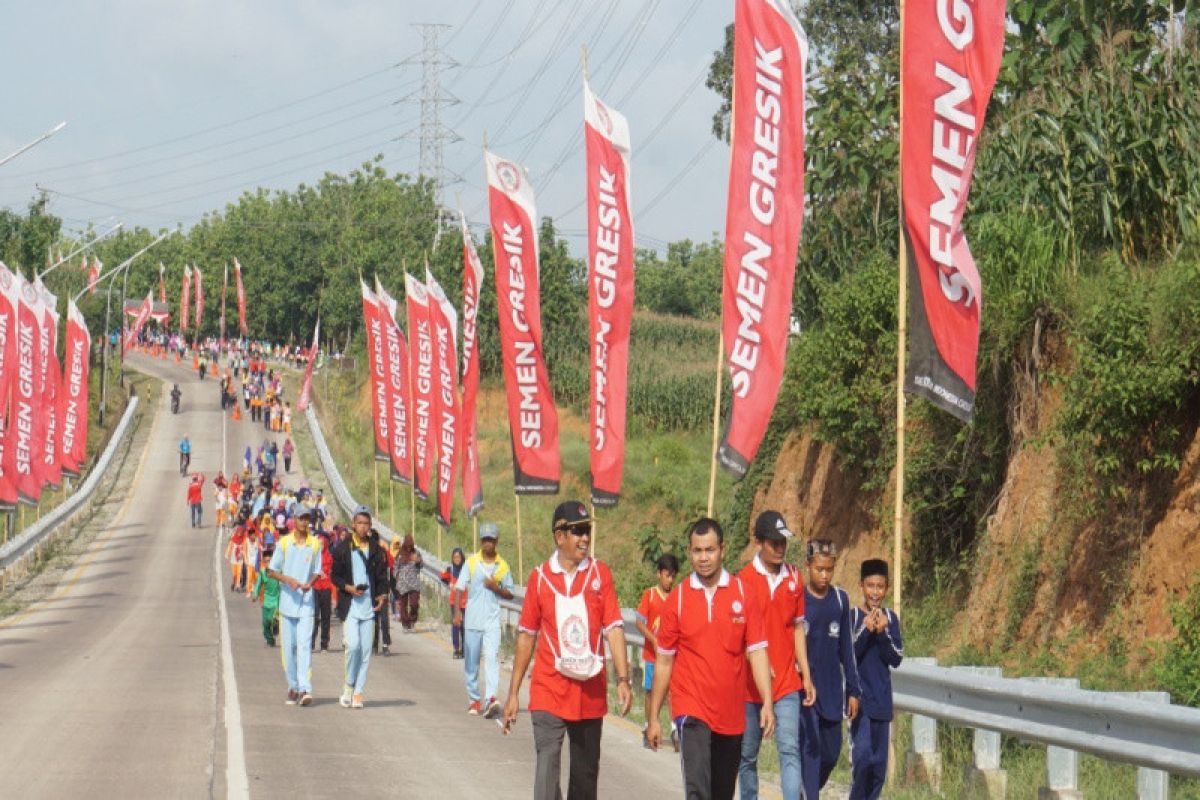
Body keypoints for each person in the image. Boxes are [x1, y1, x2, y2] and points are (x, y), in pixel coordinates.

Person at [502, 502, 633, 800]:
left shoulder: (600, 575)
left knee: (585, 782)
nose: (585, 538)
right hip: (549, 688)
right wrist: (513, 693)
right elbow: (527, 637)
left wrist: (623, 679)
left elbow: (613, 627)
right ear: (559, 536)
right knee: (546, 774)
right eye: (578, 531)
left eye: (587, 530)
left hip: (589, 693)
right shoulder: (540, 579)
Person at [645, 518, 775, 800]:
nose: (703, 558)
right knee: (697, 790)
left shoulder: (743, 594)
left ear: (722, 550)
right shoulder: (677, 600)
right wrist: (653, 717)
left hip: (730, 715)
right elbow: (664, 662)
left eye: (710, 550)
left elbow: (757, 651)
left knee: (720, 793)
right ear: (690, 552)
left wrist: (766, 700)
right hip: (691, 708)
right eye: (697, 551)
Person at [737, 511, 817, 800]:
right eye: (774, 542)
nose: (780, 547)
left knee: (790, 750)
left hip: (786, 683)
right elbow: (739, 635)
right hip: (749, 688)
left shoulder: (795, 578)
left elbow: (797, 630)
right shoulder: (742, 581)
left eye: (783, 541)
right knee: (747, 756)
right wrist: (755, 660)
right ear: (758, 542)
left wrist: (805, 674)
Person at [800, 540, 863, 800]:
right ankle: (810, 794)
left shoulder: (840, 600)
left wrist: (853, 690)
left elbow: (847, 649)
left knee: (830, 753)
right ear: (808, 567)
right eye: (819, 569)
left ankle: (806, 792)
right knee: (811, 749)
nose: (824, 575)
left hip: (832, 692)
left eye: (829, 569)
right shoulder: (798, 600)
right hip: (804, 691)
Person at [849, 559, 903, 800]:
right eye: (870, 585)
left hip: (882, 701)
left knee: (879, 766)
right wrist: (866, 630)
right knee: (862, 760)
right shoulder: (852, 617)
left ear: (887, 588)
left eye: (880, 586)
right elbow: (849, 654)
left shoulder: (890, 619)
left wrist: (881, 633)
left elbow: (896, 658)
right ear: (861, 586)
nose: (874, 592)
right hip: (860, 702)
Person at [331, 505, 389, 709]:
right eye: (360, 523)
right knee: (353, 647)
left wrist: (382, 596)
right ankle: (348, 685)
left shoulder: (376, 550)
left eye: (366, 523)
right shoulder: (342, 548)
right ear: (353, 524)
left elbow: (382, 577)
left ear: (370, 526)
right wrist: (348, 588)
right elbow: (334, 575)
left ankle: (358, 692)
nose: (363, 527)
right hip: (351, 607)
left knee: (365, 652)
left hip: (369, 608)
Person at [267, 509, 324, 706]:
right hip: (287, 604)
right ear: (294, 520)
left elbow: (318, 570)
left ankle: (305, 688)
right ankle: (292, 686)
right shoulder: (284, 543)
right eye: (301, 518)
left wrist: (310, 582)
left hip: (306, 603)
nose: (304, 522)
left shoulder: (315, 543)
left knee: (304, 646)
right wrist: (288, 579)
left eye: (307, 518)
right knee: (288, 649)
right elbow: (271, 571)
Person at [454, 526, 513, 716]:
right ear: (481, 541)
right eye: (485, 539)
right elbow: (459, 588)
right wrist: (457, 613)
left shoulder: (502, 566)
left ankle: (491, 699)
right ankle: (474, 699)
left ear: (496, 541)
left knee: (492, 659)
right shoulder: (471, 562)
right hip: (472, 620)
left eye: (492, 539)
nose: (488, 543)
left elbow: (510, 593)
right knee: (471, 662)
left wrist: (496, 588)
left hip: (492, 621)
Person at [634, 553, 680, 751]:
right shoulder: (650, 595)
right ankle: (648, 725)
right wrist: (652, 640)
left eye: (672, 576)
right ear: (659, 574)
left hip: (671, 656)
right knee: (651, 692)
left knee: (671, 691)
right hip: (652, 655)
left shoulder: (677, 596)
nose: (669, 580)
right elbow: (639, 621)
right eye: (666, 575)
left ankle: (674, 728)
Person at [310, 521, 335, 653]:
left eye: (322, 543)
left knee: (326, 616)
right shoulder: (312, 558)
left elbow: (333, 571)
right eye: (318, 543)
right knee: (314, 616)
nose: (320, 545)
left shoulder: (330, 557)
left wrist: (327, 572)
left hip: (326, 589)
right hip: (314, 587)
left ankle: (324, 644)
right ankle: (311, 643)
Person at [392, 535, 423, 632]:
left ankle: (412, 621)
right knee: (403, 605)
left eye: (411, 545)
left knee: (414, 604)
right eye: (407, 545)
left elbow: (421, 565)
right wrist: (397, 577)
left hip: (414, 583)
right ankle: (405, 624)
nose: (409, 547)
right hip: (402, 583)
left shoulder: (416, 553)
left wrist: (417, 561)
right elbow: (395, 567)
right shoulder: (400, 554)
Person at [443, 547, 467, 658]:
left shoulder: (467, 569)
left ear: (462, 558)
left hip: (465, 601)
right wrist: (450, 584)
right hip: (454, 601)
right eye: (454, 557)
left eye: (458, 557)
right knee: (456, 624)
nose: (457, 559)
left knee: (465, 626)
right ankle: (456, 649)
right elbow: (443, 577)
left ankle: (464, 649)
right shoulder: (451, 569)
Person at [255, 548, 281, 646]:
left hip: (276, 601)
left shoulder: (278, 572)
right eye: (266, 561)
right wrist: (255, 594)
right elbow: (258, 584)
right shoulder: (262, 573)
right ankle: (270, 640)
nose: (268, 563)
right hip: (266, 601)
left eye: (270, 561)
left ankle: (276, 626)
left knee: (272, 619)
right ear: (263, 562)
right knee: (265, 624)